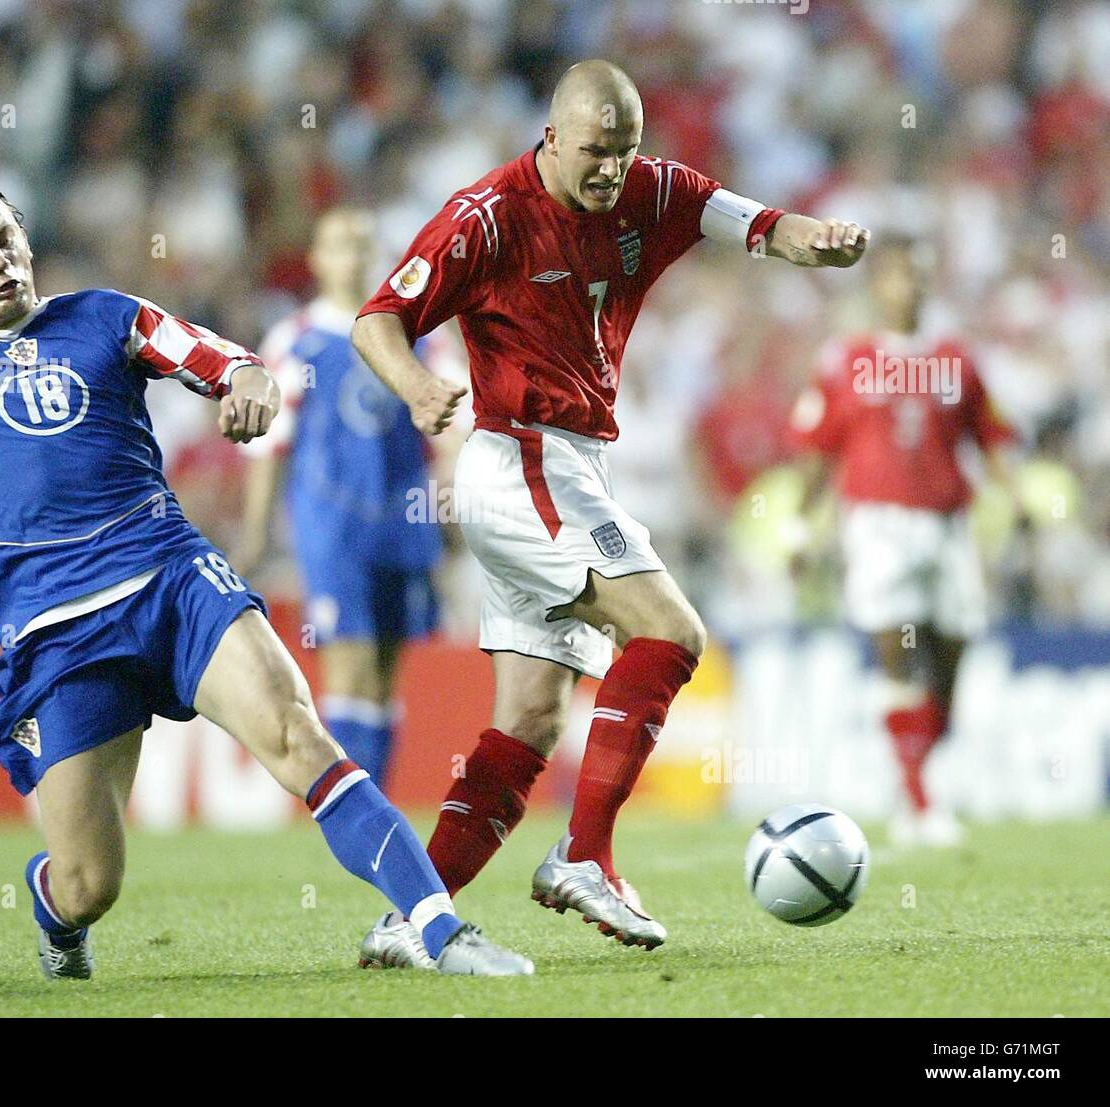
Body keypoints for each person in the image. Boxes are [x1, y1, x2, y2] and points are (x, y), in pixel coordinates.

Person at [0, 175, 532, 978]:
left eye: (8, 238)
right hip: (58, 632)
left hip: (171, 577)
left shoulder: (105, 317)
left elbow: (222, 359)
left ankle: (438, 930)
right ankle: (56, 913)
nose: (1, 260)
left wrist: (249, 382)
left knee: (299, 733)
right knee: (89, 883)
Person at [350, 59, 870, 966]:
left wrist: (814, 239)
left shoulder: (650, 189)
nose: (610, 171)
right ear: (552, 137)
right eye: (594, 151)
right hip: (524, 459)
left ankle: (411, 919)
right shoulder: (488, 216)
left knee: (530, 721)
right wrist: (419, 385)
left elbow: (753, 223)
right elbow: (377, 319)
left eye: (624, 151)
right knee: (671, 634)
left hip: (567, 462)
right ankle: (584, 854)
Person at [787, 234, 1022, 847]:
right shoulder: (846, 360)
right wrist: (797, 528)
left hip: (948, 525)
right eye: (897, 276)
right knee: (896, 647)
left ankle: (917, 776)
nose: (909, 287)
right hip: (877, 524)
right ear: (877, 286)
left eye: (918, 276)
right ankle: (918, 803)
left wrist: (1016, 495)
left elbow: (990, 436)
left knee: (949, 662)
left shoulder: (958, 359)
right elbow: (816, 454)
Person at [237, 207, 460, 792]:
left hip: (404, 521)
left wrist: (454, 505)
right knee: (350, 661)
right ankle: (348, 813)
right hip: (332, 524)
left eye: (363, 245)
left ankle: (374, 803)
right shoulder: (298, 339)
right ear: (316, 259)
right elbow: (271, 444)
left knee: (387, 671)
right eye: (340, 245)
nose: (353, 257)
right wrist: (257, 531)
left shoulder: (416, 337)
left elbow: (452, 427)